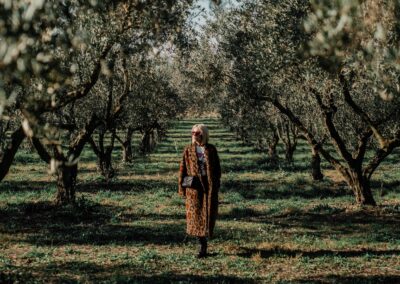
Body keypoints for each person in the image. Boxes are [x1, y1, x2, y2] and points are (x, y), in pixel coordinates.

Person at [178, 123, 221, 258]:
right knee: (195, 216)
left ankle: (205, 240)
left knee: (208, 214)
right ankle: (202, 245)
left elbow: (217, 169)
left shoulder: (211, 149)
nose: (194, 135)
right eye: (192, 133)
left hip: (209, 187)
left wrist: (216, 184)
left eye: (197, 133)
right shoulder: (188, 150)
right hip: (194, 188)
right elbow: (182, 169)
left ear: (204, 134)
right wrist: (183, 187)